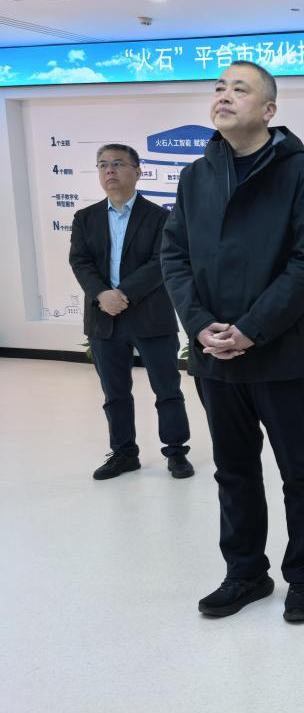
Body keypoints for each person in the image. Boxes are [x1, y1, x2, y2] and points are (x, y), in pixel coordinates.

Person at [161, 61, 304, 624]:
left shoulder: (300, 173)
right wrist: (200, 325)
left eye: (240, 89)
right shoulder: (197, 175)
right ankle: (245, 573)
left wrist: (252, 329)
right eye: (219, 87)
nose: (224, 95)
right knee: (233, 470)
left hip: (281, 354)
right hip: (214, 355)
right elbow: (174, 256)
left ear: (268, 110)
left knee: (299, 472)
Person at [69, 143, 193, 481]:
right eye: (103, 164)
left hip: (151, 316)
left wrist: (122, 294)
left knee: (167, 390)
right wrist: (102, 295)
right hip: (103, 318)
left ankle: (176, 452)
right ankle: (124, 454)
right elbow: (80, 261)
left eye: (118, 163)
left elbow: (161, 262)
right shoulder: (85, 218)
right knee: (115, 393)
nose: (109, 170)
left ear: (137, 172)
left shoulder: (161, 217)